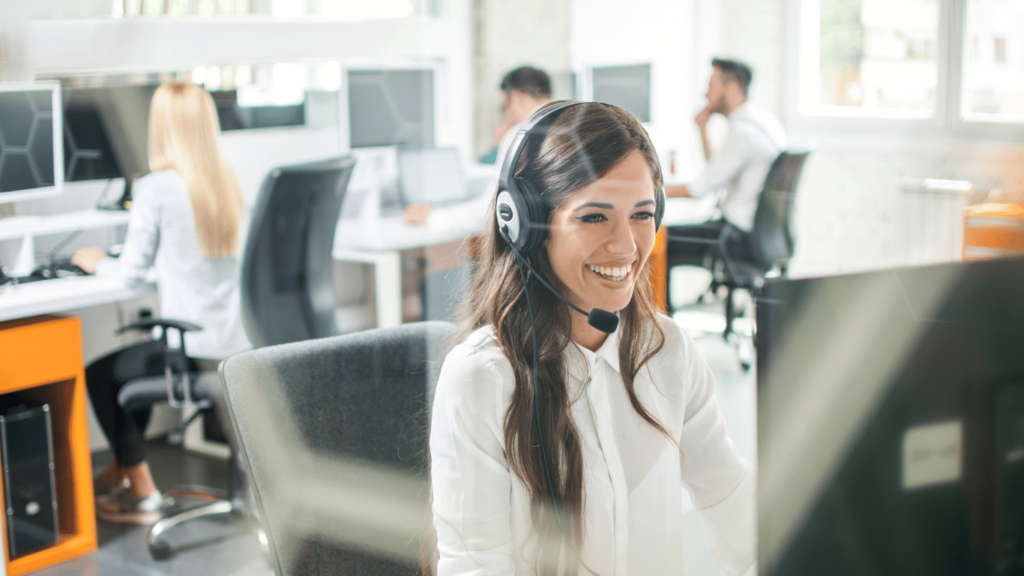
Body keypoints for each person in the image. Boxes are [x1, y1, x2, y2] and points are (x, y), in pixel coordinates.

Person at [428, 102, 754, 575]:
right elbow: (475, 565)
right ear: (525, 224)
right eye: (595, 217)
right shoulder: (482, 378)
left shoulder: (668, 351)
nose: (626, 246)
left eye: (642, 215)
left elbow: (733, 503)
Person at [72, 82, 251, 525]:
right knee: (136, 365)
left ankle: (143, 492)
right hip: (233, 348)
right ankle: (123, 468)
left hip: (188, 352)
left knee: (100, 375)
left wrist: (96, 263)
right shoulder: (226, 181)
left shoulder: (156, 188)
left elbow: (131, 273)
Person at [664, 58, 787, 283]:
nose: (705, 94)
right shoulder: (764, 123)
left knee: (662, 239)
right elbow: (718, 172)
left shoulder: (743, 134)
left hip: (735, 239)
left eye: (711, 86)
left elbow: (698, 189)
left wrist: (648, 191)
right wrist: (702, 130)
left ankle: (659, 317)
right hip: (763, 237)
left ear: (730, 89)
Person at [404, 66, 552, 226]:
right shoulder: (571, 121)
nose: (507, 114)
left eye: (504, 106)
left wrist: (436, 218)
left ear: (518, 98)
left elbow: (494, 206)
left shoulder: (520, 134)